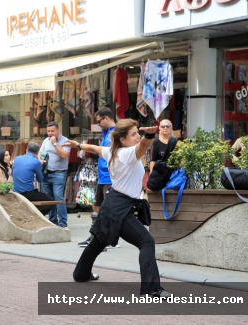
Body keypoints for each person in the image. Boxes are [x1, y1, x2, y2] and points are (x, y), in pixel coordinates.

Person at [64, 119, 172, 298]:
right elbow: (144, 145)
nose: (137, 136)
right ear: (123, 139)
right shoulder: (128, 154)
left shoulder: (111, 151)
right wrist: (150, 135)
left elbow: (96, 149)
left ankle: (81, 274)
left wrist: (78, 145)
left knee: (98, 242)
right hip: (119, 208)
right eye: (133, 134)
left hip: (112, 205)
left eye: (138, 132)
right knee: (146, 242)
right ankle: (151, 289)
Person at [79, 107, 116, 247]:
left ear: (106, 118)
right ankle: (97, 235)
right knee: (96, 206)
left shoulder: (115, 133)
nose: (98, 124)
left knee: (108, 209)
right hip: (102, 177)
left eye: (99, 121)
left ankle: (109, 238)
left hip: (110, 177)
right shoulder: (106, 132)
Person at [11, 142, 57, 216]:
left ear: (26, 150)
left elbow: (13, 174)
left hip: (16, 191)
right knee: (51, 201)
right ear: (38, 152)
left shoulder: (17, 159)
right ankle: (37, 215)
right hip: (28, 193)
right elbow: (40, 179)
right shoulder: (36, 162)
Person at [39, 122, 70, 228]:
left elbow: (64, 155)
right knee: (49, 198)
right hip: (46, 173)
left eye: (52, 131)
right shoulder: (45, 141)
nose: (50, 133)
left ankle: (62, 222)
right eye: (48, 131)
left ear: (58, 130)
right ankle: (52, 220)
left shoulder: (65, 140)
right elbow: (40, 153)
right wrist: (40, 160)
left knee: (58, 197)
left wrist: (55, 144)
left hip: (59, 173)